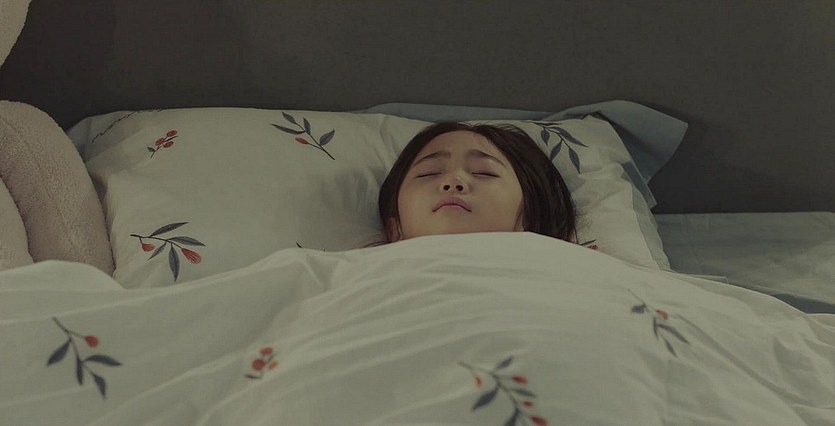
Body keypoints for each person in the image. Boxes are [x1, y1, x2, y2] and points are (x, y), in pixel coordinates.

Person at [370, 122, 577, 246]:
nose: (453, 181)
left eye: (484, 172)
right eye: (428, 173)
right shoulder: (357, 274)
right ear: (394, 228)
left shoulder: (574, 273)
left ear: (529, 216)